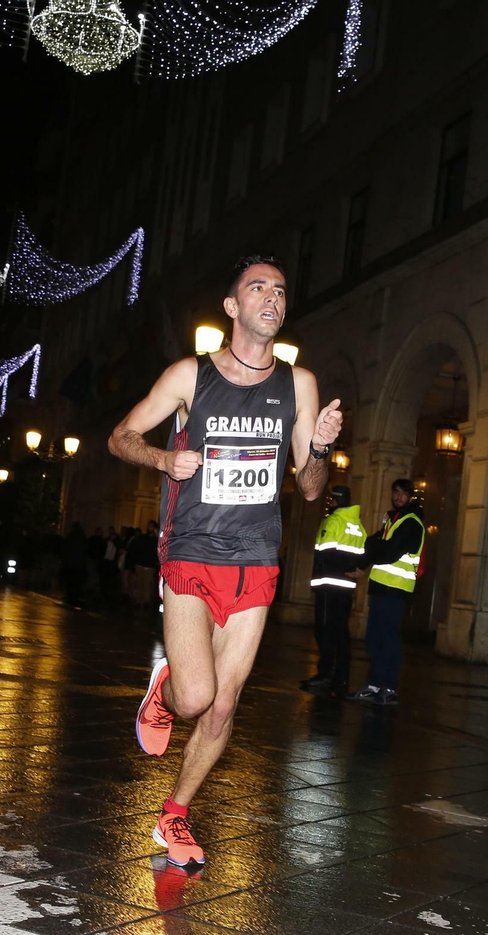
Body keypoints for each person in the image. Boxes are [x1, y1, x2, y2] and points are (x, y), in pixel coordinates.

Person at [108, 254, 343, 867]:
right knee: (193, 698)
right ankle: (164, 693)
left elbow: (312, 486)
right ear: (233, 307)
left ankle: (176, 815)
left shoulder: (299, 384)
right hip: (190, 552)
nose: (272, 297)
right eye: (257, 288)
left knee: (223, 704)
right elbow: (121, 436)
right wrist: (165, 460)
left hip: (258, 559)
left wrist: (318, 445)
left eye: (281, 290)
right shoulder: (189, 375)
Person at [346, 478, 426, 707]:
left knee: (389, 638)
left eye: (403, 493)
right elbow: (375, 541)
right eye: (396, 492)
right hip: (382, 587)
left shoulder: (412, 522)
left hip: (396, 589)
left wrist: (373, 548)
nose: (398, 497)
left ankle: (389, 689)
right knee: (375, 637)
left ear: (411, 496)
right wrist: (363, 563)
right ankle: (374, 686)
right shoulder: (394, 520)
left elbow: (389, 551)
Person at [302, 485, 365, 696]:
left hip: (329, 584)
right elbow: (361, 553)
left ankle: (325, 674)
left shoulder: (334, 521)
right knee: (340, 631)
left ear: (335, 500)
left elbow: (326, 554)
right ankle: (342, 676)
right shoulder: (357, 524)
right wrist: (352, 569)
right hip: (346, 586)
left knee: (325, 629)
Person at [126, 520, 161, 607]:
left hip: (149, 566)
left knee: (146, 585)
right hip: (141, 564)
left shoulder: (156, 540)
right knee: (139, 584)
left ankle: (145, 601)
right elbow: (134, 550)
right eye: (149, 526)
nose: (149, 528)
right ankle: (139, 601)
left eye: (151, 526)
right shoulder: (141, 538)